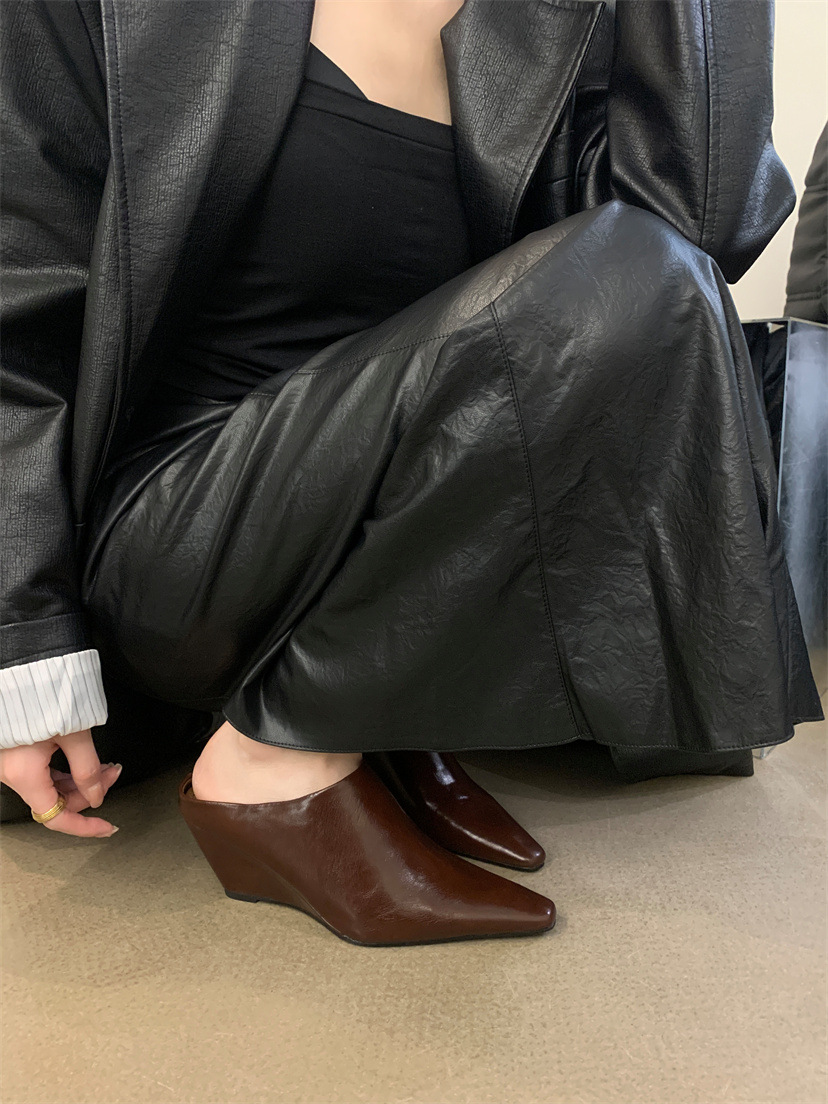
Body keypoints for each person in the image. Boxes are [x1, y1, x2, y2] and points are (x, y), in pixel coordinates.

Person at [1, 0, 823, 946]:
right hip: (176, 529)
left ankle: (363, 712)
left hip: (365, 526)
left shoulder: (555, 21)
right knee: (635, 267)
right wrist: (22, 635)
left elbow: (691, 230)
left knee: (644, 268)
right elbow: (17, 303)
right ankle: (269, 769)